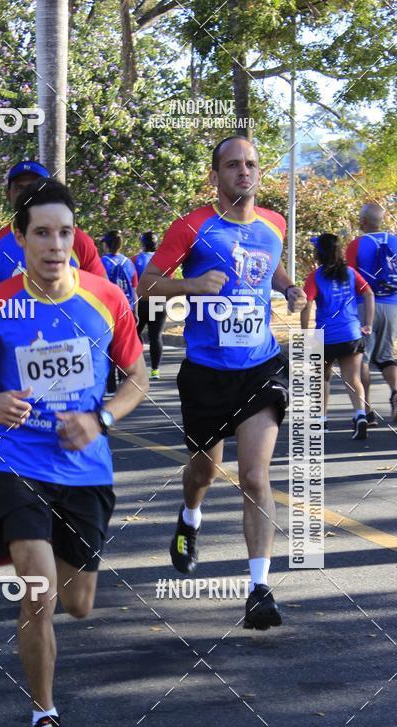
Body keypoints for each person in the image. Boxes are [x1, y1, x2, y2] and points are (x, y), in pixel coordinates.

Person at [0, 179, 148, 727]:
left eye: (64, 232)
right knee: (37, 593)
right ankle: (45, 713)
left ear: (74, 238)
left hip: (85, 470)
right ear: (20, 238)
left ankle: (50, 628)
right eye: (41, 233)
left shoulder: (108, 298)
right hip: (16, 462)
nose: (55, 245)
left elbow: (137, 379)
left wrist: (100, 418)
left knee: (76, 603)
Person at [138, 135, 307, 631]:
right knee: (204, 474)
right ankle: (190, 516)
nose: (244, 172)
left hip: (260, 366)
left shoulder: (273, 223)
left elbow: (270, 267)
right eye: (232, 165)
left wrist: (289, 287)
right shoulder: (192, 226)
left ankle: (259, 589)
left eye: (251, 164)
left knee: (255, 476)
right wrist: (191, 285)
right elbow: (146, 283)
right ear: (215, 176)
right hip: (207, 373)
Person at [0, 161, 105, 319]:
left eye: (35, 186)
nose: (27, 194)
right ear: (8, 194)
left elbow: (104, 297)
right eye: (20, 188)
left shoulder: (80, 242)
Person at [301, 234, 374, 439]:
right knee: (353, 378)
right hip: (351, 332)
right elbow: (369, 293)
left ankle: (322, 421)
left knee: (322, 378)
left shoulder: (316, 275)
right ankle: (360, 415)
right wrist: (367, 323)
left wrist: (306, 333)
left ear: (319, 253)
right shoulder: (350, 273)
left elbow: (307, 304)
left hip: (326, 336)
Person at [346, 202, 397, 424]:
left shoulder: (356, 244)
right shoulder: (395, 241)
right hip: (393, 305)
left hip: (364, 306)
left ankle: (366, 411)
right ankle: (396, 393)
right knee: (385, 356)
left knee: (362, 358)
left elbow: (349, 278)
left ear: (364, 221)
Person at [101, 230, 138, 393]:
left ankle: (110, 383)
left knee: (109, 346)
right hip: (127, 309)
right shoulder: (128, 263)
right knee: (123, 346)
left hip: (109, 310)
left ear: (106, 244)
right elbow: (134, 288)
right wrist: (135, 311)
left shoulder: (102, 262)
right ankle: (125, 380)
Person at [134, 232, 166, 379]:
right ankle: (155, 370)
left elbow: (131, 280)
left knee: (134, 334)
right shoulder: (163, 259)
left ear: (142, 243)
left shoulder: (135, 259)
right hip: (158, 301)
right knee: (155, 336)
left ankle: (139, 366)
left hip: (141, 302)